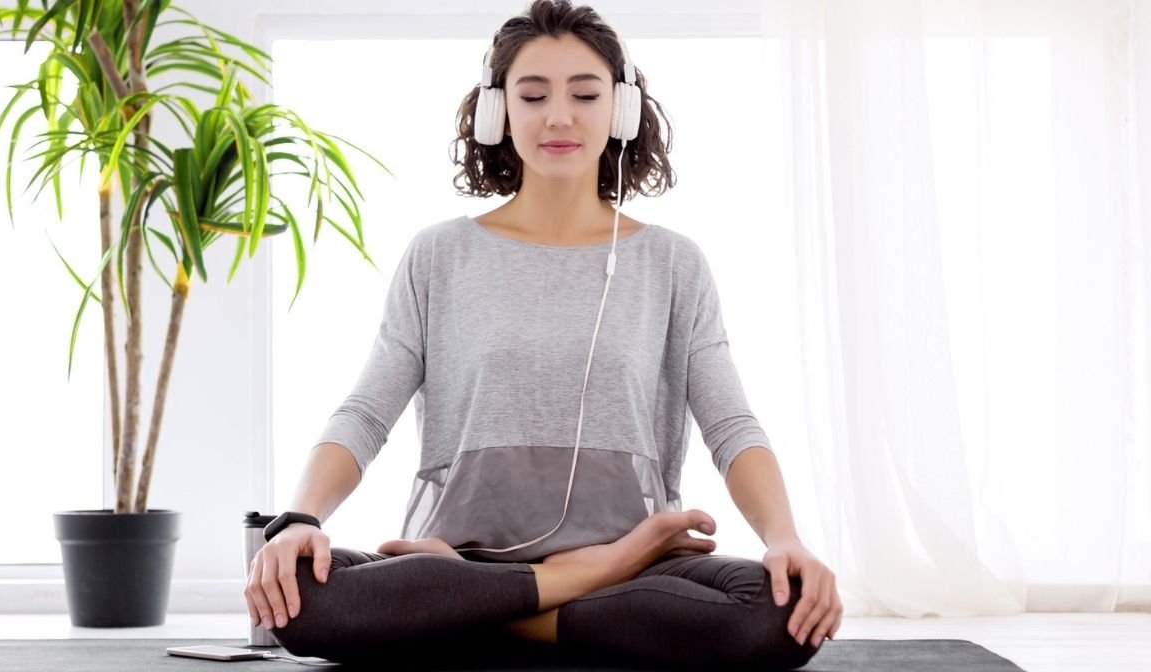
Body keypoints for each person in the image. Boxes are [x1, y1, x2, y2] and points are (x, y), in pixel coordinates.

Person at [244, 0, 843, 668]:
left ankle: (477, 617)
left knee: (783, 612)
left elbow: (731, 424)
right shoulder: (439, 256)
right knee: (295, 593)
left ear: (621, 110)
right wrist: (298, 520)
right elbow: (365, 412)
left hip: (621, 575)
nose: (559, 116)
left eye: (585, 94)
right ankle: (567, 586)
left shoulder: (672, 263)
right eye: (533, 95)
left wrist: (785, 538)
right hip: (467, 563)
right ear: (499, 113)